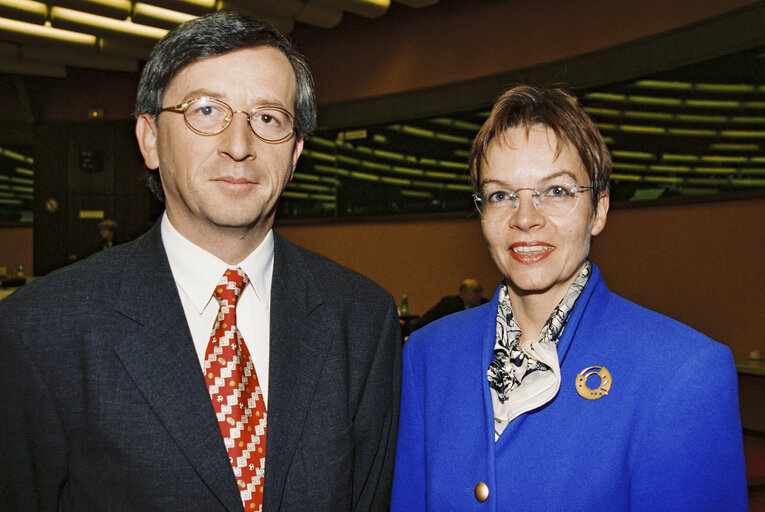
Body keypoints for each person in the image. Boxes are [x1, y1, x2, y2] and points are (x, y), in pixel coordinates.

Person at [0, 12, 401, 511]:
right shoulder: (41, 328)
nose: (239, 146)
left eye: (268, 119)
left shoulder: (362, 319)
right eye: (207, 111)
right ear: (149, 138)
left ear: (296, 153)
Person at [391, 85, 747, 511]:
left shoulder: (683, 372)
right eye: (501, 195)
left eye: (556, 191)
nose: (525, 218)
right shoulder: (428, 356)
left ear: (598, 209)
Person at [410, 278, 487, 330]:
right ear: (464, 293)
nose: (480, 295)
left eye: (481, 291)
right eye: (476, 292)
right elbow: (428, 320)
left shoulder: (485, 304)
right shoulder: (449, 304)